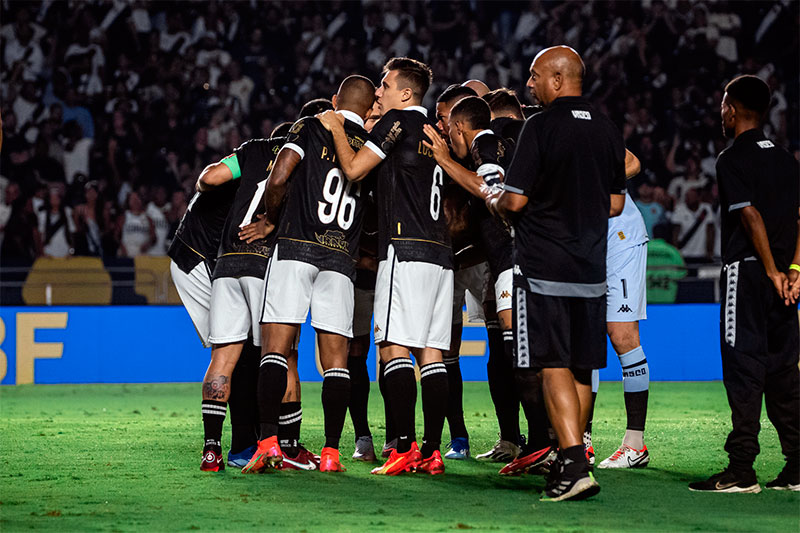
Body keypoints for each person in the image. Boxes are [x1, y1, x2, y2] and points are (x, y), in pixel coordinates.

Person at [488, 46, 626, 502]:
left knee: (552, 363)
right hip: (591, 266)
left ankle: (571, 463)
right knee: (582, 367)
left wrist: (495, 201)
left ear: (558, 80)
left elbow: (514, 201)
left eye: (534, 76)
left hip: (545, 264)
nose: (528, 84)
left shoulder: (540, 126)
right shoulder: (607, 129)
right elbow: (616, 203)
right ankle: (575, 457)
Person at [319, 57, 452, 476]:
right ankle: (432, 451)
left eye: (386, 84)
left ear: (405, 93)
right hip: (441, 255)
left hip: (405, 249)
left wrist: (338, 127)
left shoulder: (396, 121)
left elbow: (355, 168)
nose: (379, 91)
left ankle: (404, 449)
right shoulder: (435, 130)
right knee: (431, 355)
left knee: (393, 348)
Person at [243, 75, 376, 474]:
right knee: (337, 360)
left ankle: (268, 443)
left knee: (276, 349)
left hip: (297, 247)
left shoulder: (313, 125)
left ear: (336, 100)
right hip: (340, 260)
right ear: (370, 110)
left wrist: (268, 219)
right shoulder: (371, 147)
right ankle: (332, 453)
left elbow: (280, 176)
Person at [689, 75, 799, 493]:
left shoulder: (731, 158)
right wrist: (793, 271)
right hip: (785, 280)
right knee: (785, 371)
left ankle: (741, 470)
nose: (721, 112)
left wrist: (770, 269)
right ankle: (797, 466)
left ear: (732, 109)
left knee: (744, 369)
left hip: (749, 273)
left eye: (722, 104)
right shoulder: (788, 159)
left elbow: (749, 215)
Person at [193, 131, 311, 472]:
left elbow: (209, 177)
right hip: (266, 263)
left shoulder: (252, 150)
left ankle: (211, 450)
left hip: (228, 263)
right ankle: (282, 446)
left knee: (223, 359)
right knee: (283, 355)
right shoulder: (305, 153)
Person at [422, 96, 529, 465]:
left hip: (506, 261)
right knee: (515, 353)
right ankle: (528, 442)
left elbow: (490, 190)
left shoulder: (485, 144)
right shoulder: (495, 146)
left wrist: (444, 160)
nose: (444, 132)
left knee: (518, 354)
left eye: (448, 126)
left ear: (460, 127)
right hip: (500, 261)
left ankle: (547, 442)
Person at [167, 159, 262, 470]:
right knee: (237, 348)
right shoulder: (269, 163)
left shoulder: (252, 161)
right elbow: (207, 179)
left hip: (200, 255)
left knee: (240, 348)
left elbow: (208, 177)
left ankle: (236, 443)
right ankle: (243, 445)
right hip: (199, 261)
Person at [584, 152, 654, 469]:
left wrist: (590, 189)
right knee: (585, 335)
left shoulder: (589, 125)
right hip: (583, 235)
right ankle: (581, 439)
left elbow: (633, 163)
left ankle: (635, 444)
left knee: (622, 334)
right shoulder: (538, 127)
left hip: (619, 235)